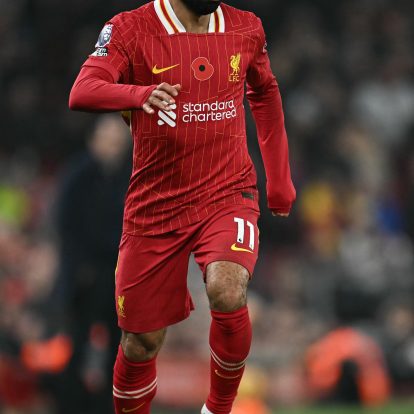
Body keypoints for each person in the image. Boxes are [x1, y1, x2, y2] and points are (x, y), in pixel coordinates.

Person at [69, 1, 296, 413]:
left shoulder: (246, 28)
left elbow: (264, 92)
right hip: (155, 205)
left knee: (228, 288)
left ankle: (217, 408)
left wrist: (279, 178)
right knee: (141, 343)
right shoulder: (130, 28)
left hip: (228, 191)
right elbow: (83, 90)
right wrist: (140, 94)